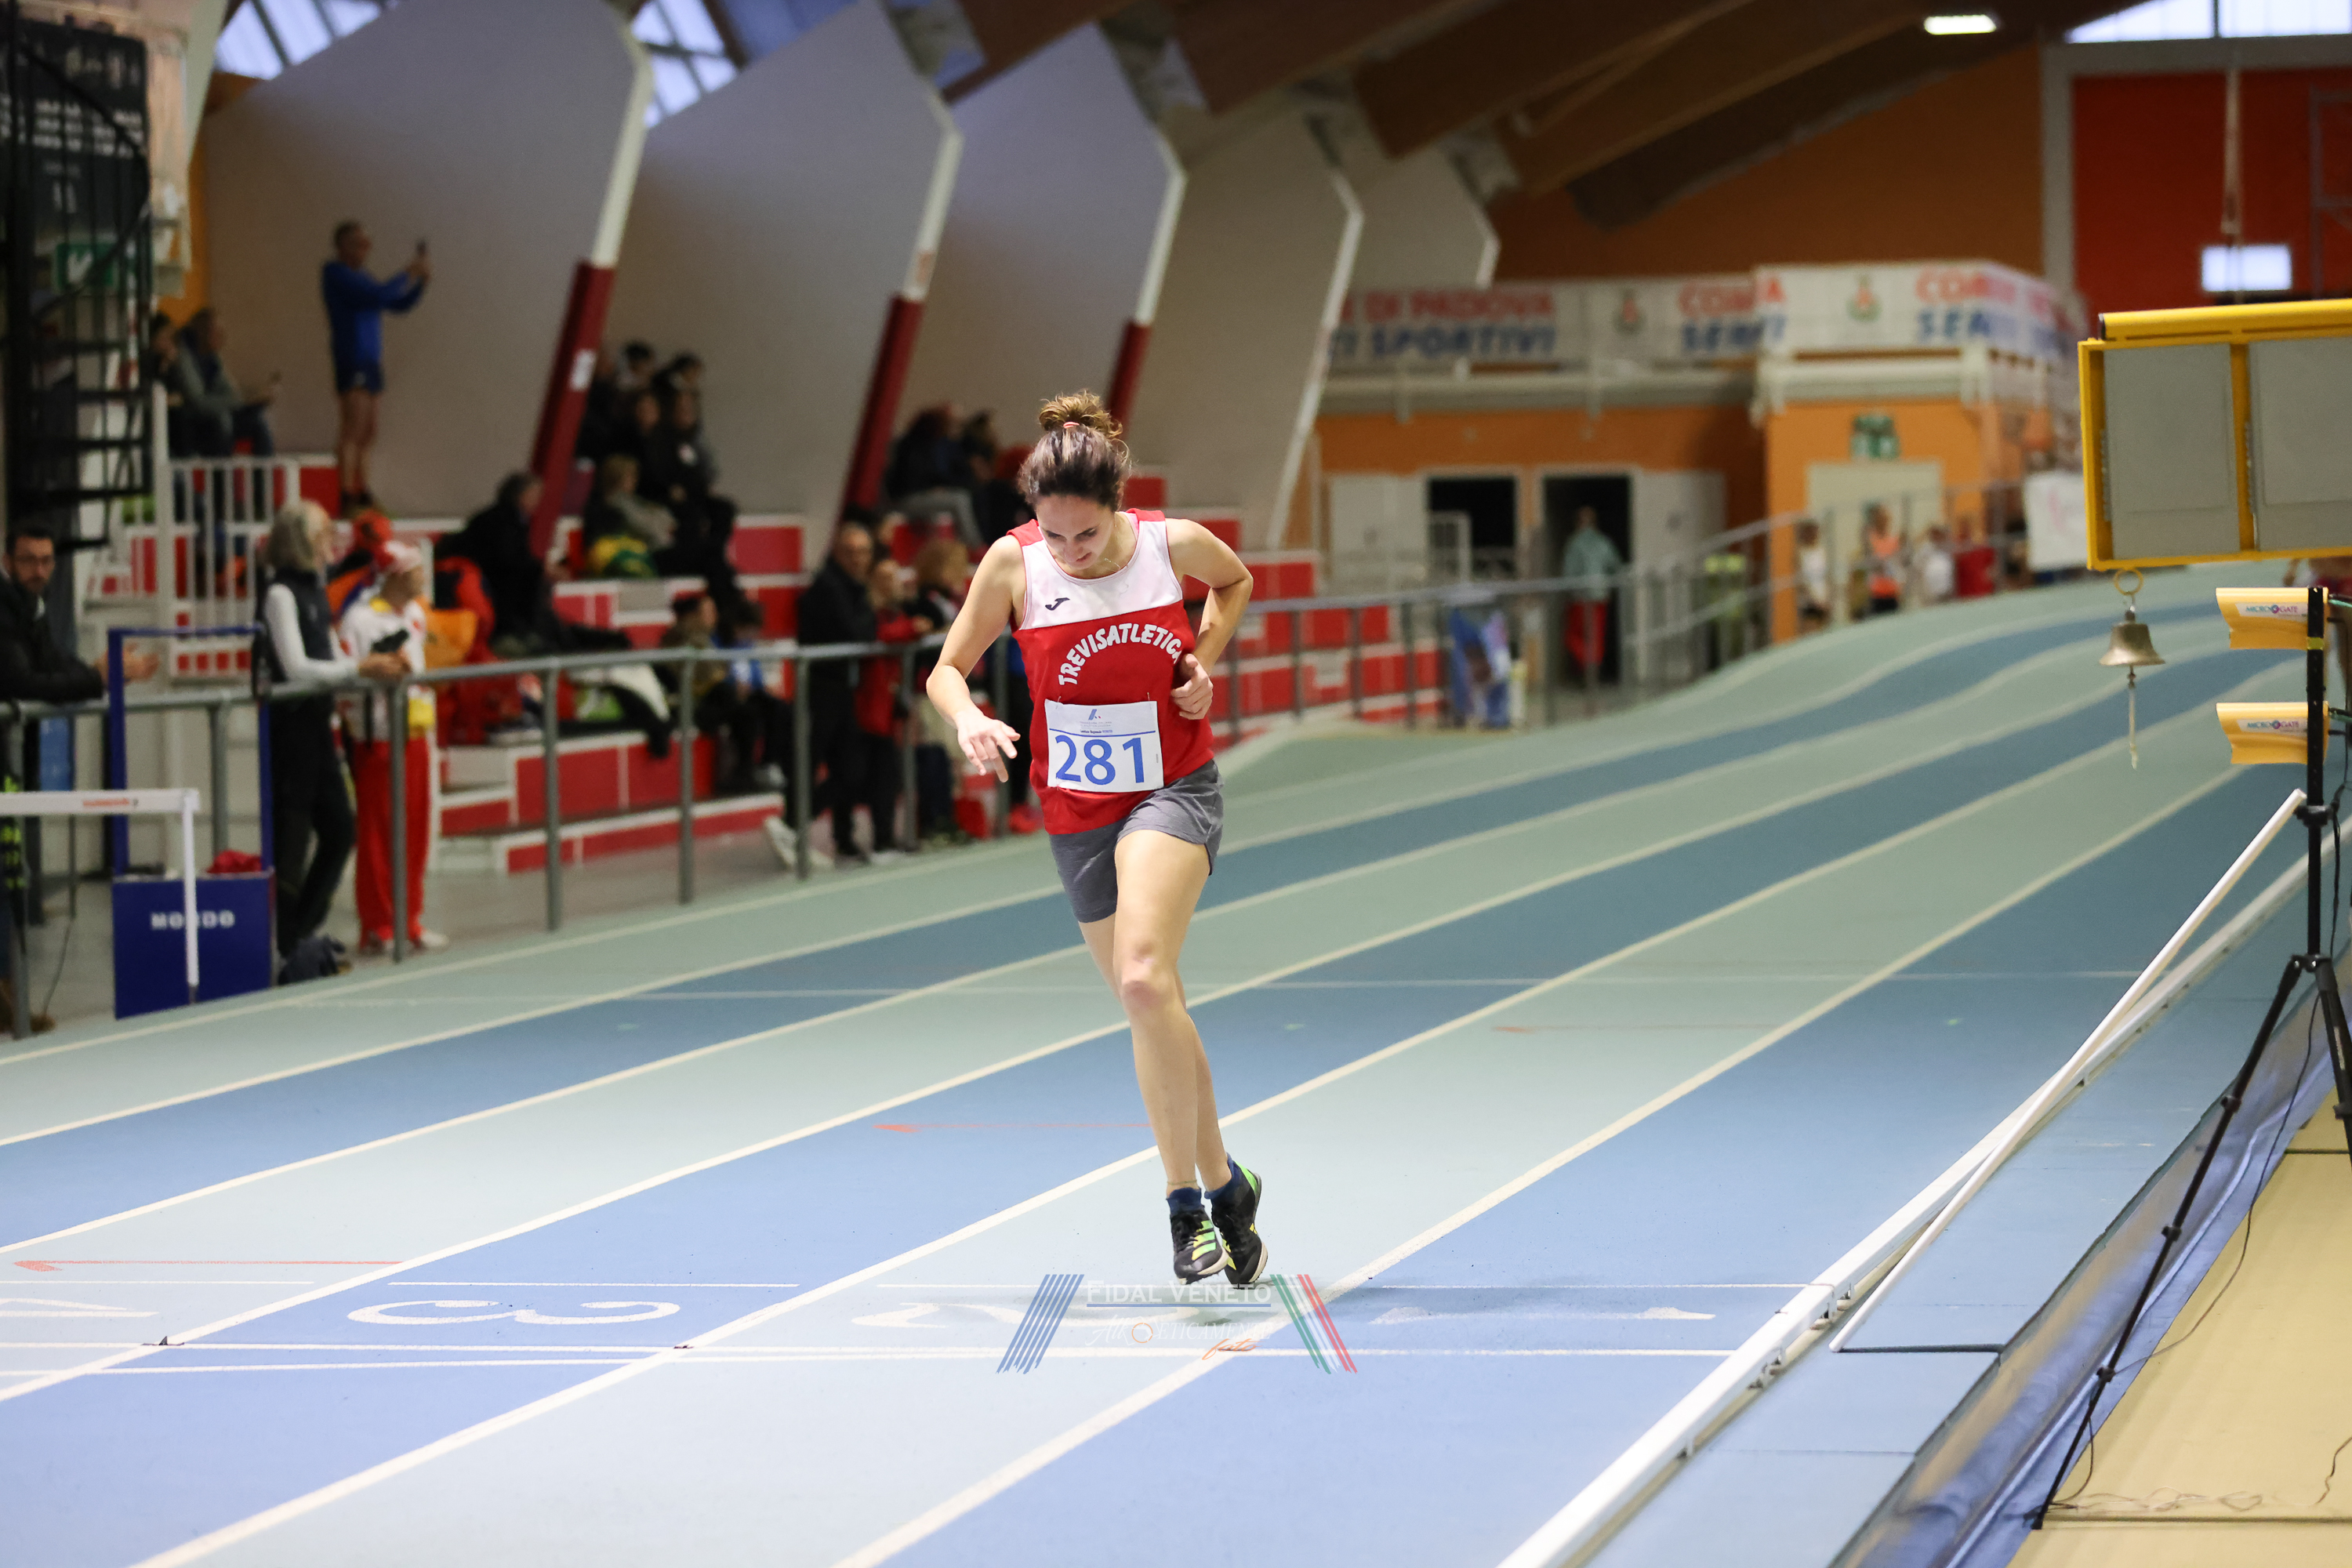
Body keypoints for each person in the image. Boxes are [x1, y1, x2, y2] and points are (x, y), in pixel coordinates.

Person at [924, 391, 1268, 1286]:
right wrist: (968, 718)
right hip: (1076, 807)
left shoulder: (1170, 545)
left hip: (1170, 786)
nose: (1070, 553)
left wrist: (1203, 660)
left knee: (1145, 976)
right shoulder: (1013, 563)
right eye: (1055, 536)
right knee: (1152, 1004)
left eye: (1086, 535)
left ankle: (1182, 1204)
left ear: (1118, 506)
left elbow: (1236, 583)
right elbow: (946, 671)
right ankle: (1229, 1184)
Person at [261, 500, 403, 961]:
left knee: (341, 829)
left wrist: (362, 669)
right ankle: (286, 942)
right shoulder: (280, 594)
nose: (331, 543)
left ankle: (299, 932)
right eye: (322, 534)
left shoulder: (316, 590)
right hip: (290, 731)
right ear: (300, 541)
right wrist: (357, 669)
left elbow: (327, 658)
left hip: (318, 727)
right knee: (291, 842)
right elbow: (297, 668)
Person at [338, 542, 445, 956]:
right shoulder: (359, 620)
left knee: (415, 833)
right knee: (379, 836)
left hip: (416, 731)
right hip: (378, 738)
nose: (423, 578)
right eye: (417, 571)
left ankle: (410, 920)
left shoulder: (416, 613)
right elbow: (347, 679)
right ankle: (378, 925)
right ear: (396, 575)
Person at [787, 521, 898, 864]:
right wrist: (872, 611)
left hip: (846, 691)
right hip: (823, 692)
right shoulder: (829, 588)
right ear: (836, 553)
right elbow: (857, 633)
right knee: (815, 762)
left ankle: (840, 837)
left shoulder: (853, 587)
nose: (858, 559)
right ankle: (793, 824)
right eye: (850, 552)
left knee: (848, 768)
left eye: (863, 552)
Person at [321, 220, 430, 514]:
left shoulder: (363, 277)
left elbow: (397, 304)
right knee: (353, 426)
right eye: (360, 244)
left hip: (371, 360)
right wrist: (409, 272)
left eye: (367, 244)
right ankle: (347, 493)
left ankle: (364, 491)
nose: (366, 249)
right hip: (352, 357)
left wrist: (421, 283)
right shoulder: (336, 273)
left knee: (369, 430)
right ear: (343, 246)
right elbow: (379, 295)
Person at [171, 308, 278, 459]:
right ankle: (220, 473)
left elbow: (229, 391)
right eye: (216, 331)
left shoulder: (212, 359)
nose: (222, 336)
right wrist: (243, 400)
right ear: (202, 332)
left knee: (258, 420)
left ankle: (263, 473)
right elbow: (198, 402)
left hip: (217, 415)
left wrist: (253, 398)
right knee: (222, 419)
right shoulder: (184, 358)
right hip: (194, 423)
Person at [885, 405, 982, 547]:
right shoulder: (913, 445)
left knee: (957, 503)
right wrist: (931, 489)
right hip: (907, 498)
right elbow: (909, 480)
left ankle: (951, 552)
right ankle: (974, 547)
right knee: (960, 500)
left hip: (923, 495)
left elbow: (952, 475)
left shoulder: (940, 445)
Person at [1559, 506, 1621, 684]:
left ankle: (1587, 664)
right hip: (1600, 597)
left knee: (1574, 637)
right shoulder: (1604, 542)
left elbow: (1569, 572)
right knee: (1596, 636)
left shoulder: (1575, 543)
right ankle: (1593, 666)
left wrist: (1569, 591)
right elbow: (1615, 566)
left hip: (1580, 599)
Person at [1862, 504, 1904, 615]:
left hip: (1893, 591)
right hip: (1877, 593)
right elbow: (1872, 558)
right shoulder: (1871, 539)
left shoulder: (1893, 540)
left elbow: (1898, 561)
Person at [1796, 519, 1831, 633]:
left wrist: (1827, 598)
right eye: (1810, 532)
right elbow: (1801, 579)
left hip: (1823, 599)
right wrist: (1813, 600)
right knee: (1810, 631)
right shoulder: (1801, 553)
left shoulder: (1822, 551)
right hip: (1809, 601)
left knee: (1824, 632)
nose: (1813, 535)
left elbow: (1827, 576)